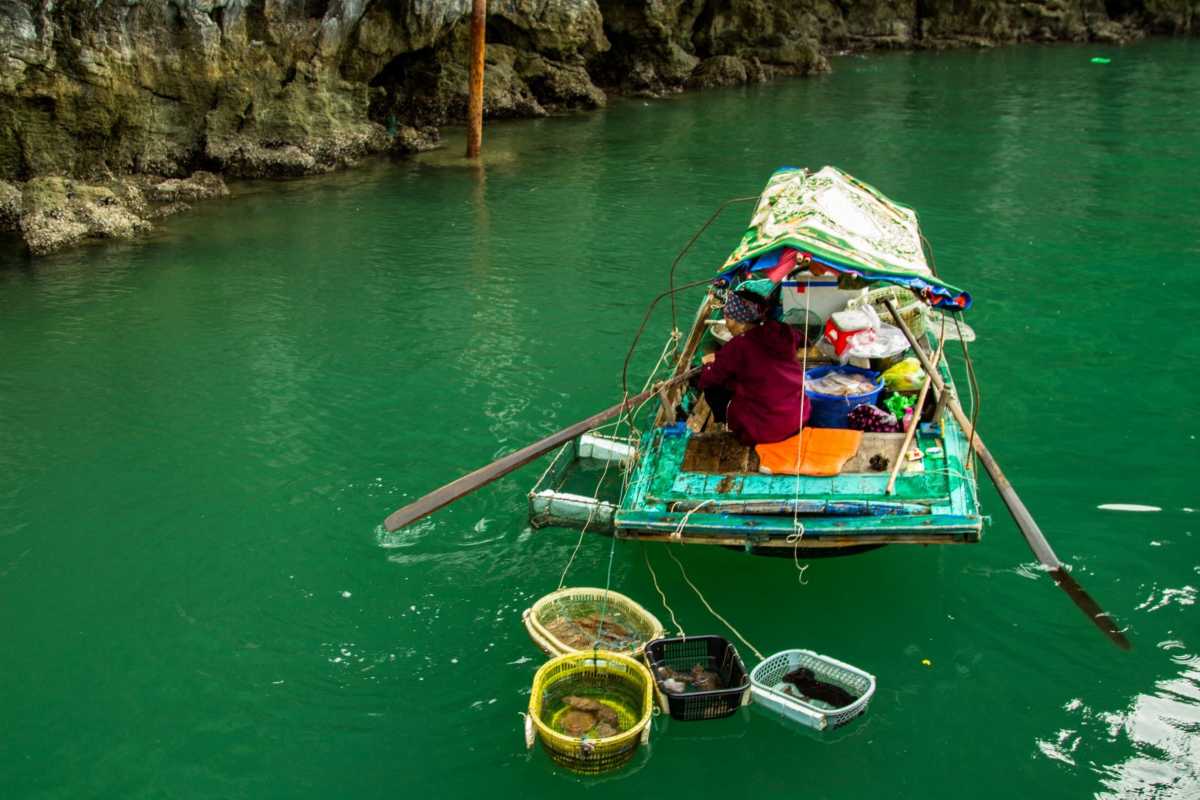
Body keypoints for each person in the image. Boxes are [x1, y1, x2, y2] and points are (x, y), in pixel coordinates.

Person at [696, 290, 810, 446]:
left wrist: (709, 365)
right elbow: (802, 339)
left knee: (712, 388)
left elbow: (708, 379)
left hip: (764, 432)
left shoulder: (739, 345)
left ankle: (730, 424)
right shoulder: (782, 330)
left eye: (728, 317)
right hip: (798, 418)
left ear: (740, 320)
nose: (727, 323)